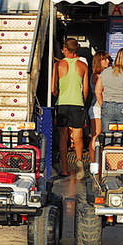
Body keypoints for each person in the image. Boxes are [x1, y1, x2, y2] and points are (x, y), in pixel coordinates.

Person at [52, 38, 89, 178]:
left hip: (62, 102)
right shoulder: (83, 66)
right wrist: (82, 101)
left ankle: (65, 169)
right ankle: (79, 163)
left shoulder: (58, 65)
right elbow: (85, 90)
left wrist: (58, 95)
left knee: (63, 137)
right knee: (78, 136)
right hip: (77, 103)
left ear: (65, 50)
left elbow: (53, 89)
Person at [95, 47, 123, 134]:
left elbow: (98, 91)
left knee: (108, 137)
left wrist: (102, 104)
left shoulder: (105, 72)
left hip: (107, 105)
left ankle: (108, 147)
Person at [89, 50, 109, 162]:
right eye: (104, 59)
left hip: (101, 107)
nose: (107, 62)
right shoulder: (96, 76)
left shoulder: (103, 75)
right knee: (96, 135)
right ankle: (94, 161)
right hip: (97, 107)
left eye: (108, 59)